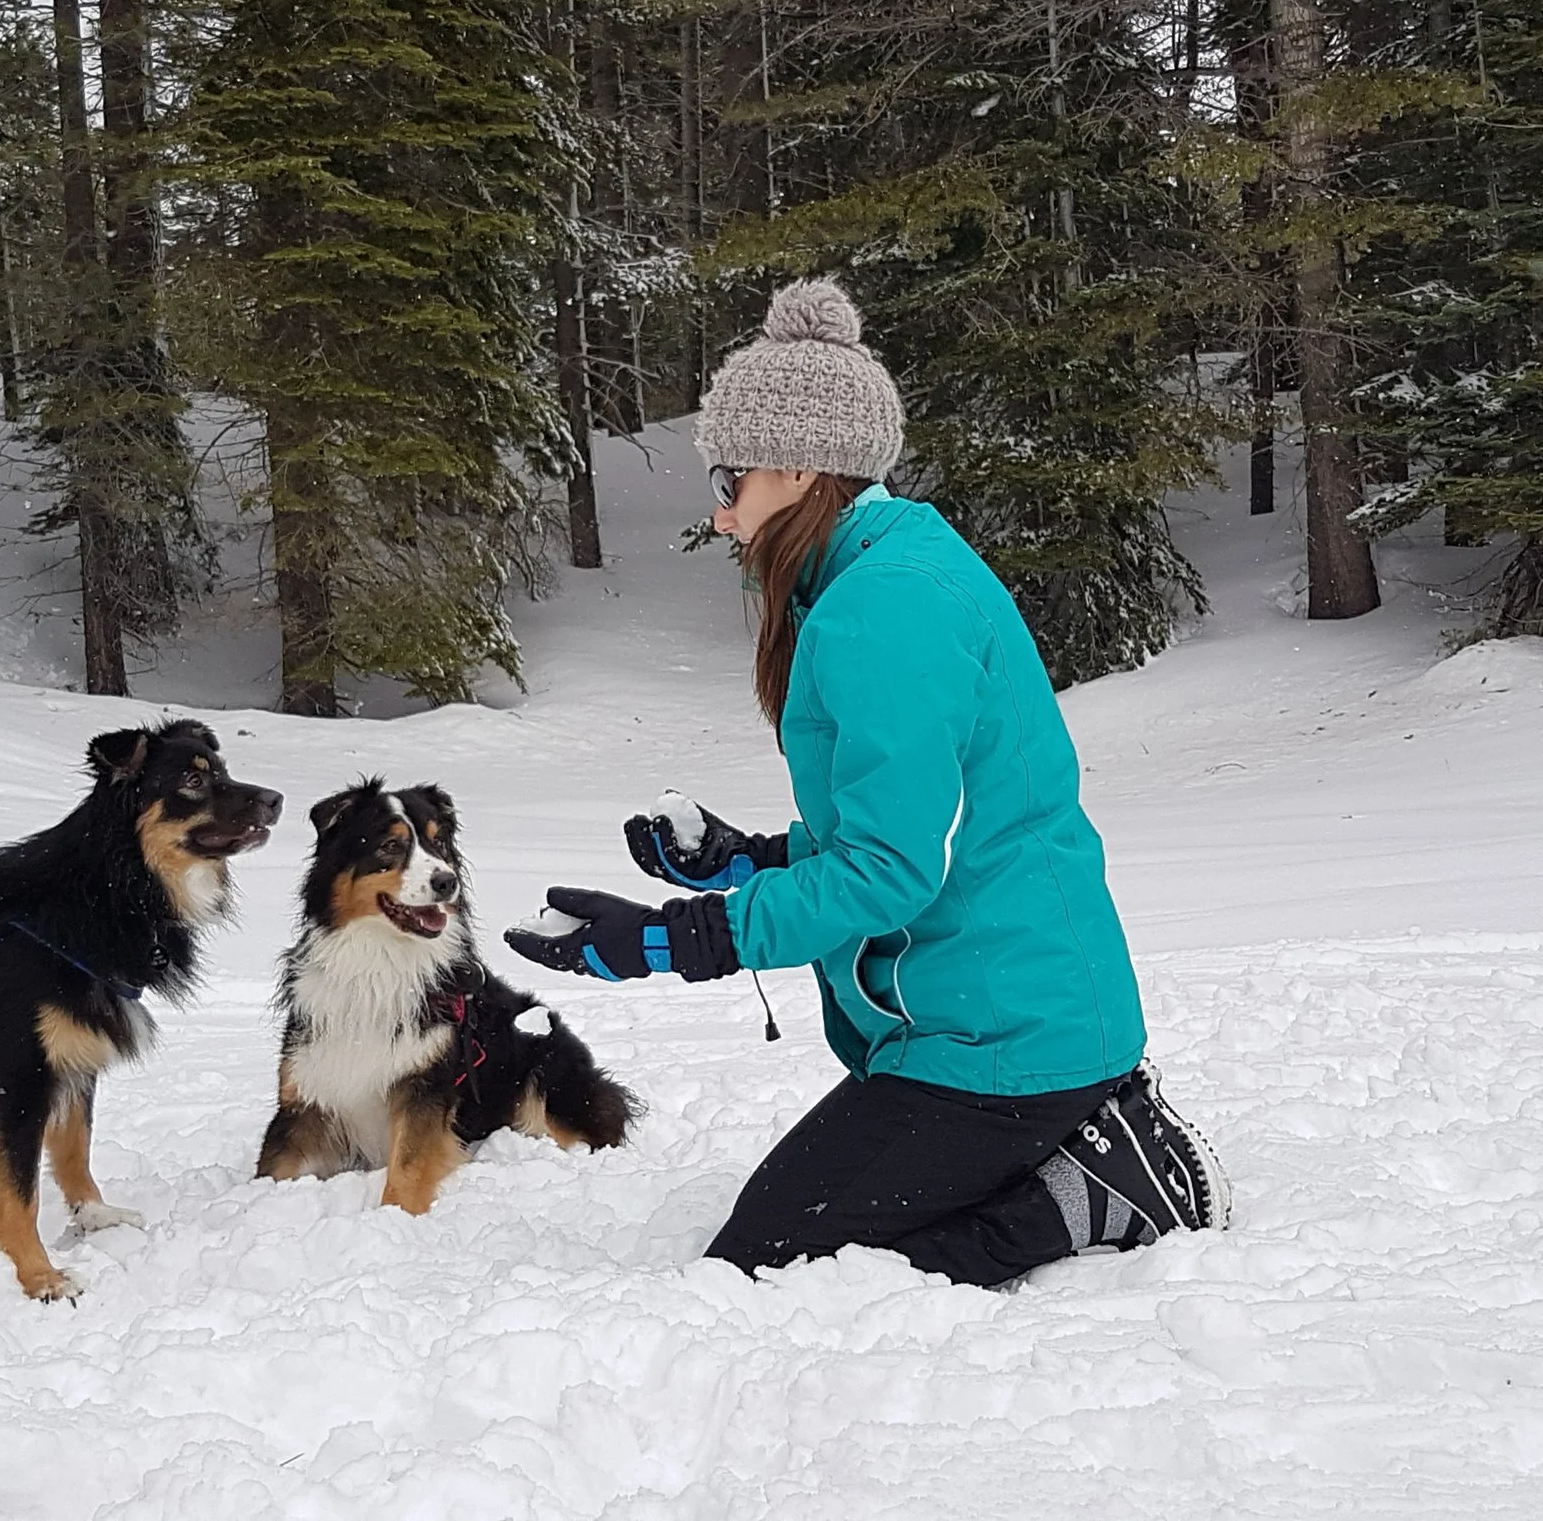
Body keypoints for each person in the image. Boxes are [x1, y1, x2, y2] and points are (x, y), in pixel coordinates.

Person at [507, 277, 1228, 1289]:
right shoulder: (893, 572)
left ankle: (1094, 1193)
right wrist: (745, 862)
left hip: (1005, 1043)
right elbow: (917, 825)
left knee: (770, 1268)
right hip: (1009, 1020)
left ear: (800, 467)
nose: (720, 518)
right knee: (786, 1249)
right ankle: (1073, 1142)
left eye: (729, 480)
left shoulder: (879, 611)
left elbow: (891, 872)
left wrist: (671, 938)